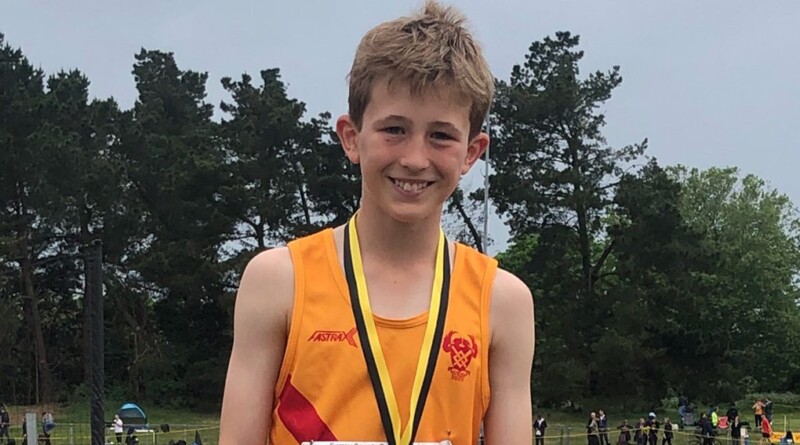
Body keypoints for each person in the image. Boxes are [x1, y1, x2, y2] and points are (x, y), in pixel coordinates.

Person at [217, 2, 536, 444]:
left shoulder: (502, 302)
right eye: (394, 130)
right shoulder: (279, 282)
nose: (415, 158)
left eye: (441, 135)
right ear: (352, 138)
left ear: (471, 153)